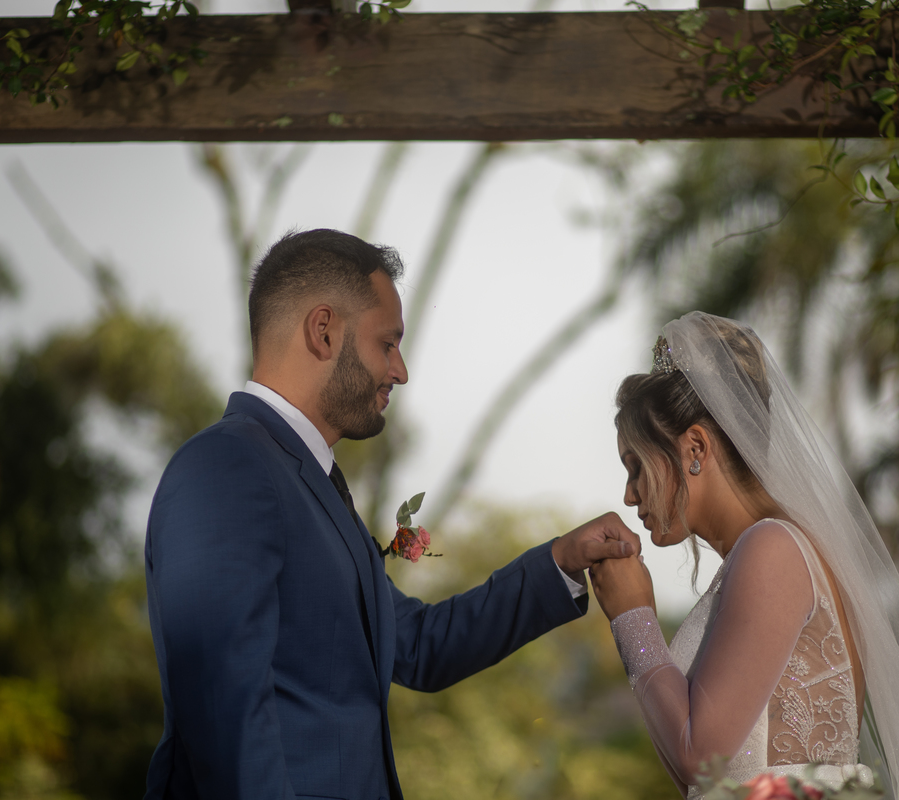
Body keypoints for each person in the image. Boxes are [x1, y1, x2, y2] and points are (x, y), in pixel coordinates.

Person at [142, 228, 638, 800]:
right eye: (388, 343)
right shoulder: (226, 466)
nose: (400, 371)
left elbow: (419, 646)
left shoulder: (308, 483)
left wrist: (561, 561)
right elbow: (222, 710)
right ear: (324, 331)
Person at [588, 312, 899, 800]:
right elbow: (700, 778)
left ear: (696, 448)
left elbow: (699, 758)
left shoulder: (773, 550)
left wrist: (633, 619)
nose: (629, 495)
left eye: (636, 467)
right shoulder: (766, 550)